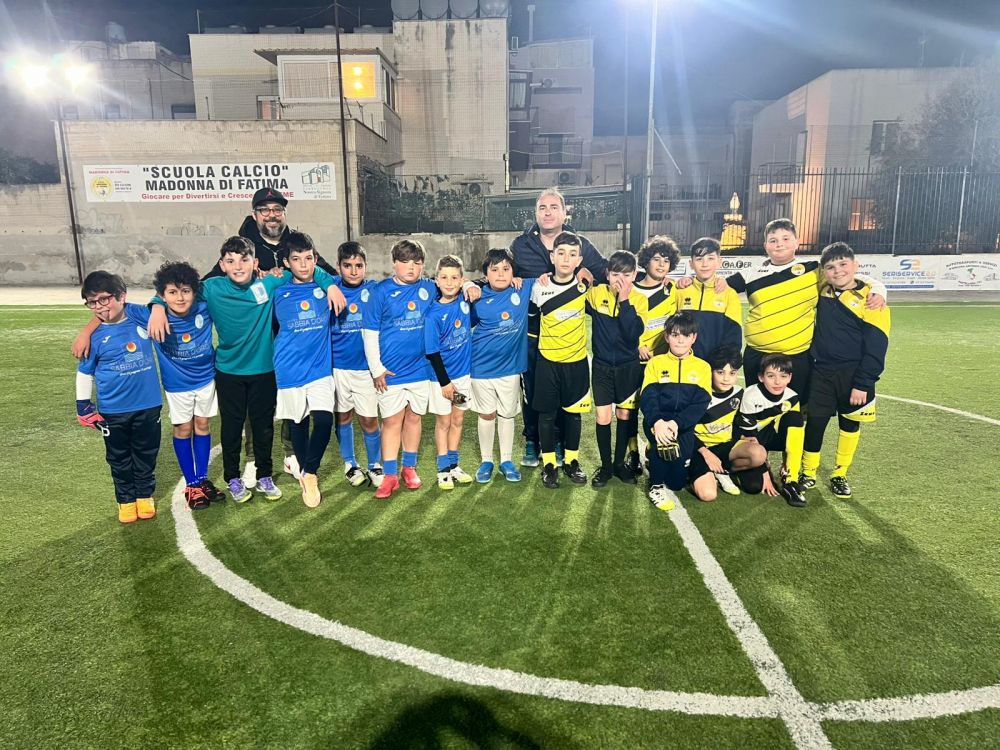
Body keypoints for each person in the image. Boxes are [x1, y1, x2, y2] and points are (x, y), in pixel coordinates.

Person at [147, 236, 342, 503]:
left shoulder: (269, 283)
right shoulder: (211, 288)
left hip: (264, 370)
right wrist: (157, 305)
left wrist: (329, 285)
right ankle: (232, 478)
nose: (238, 266)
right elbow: (177, 288)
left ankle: (265, 475)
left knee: (264, 427)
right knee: (231, 428)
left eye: (244, 260)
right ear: (222, 265)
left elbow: (305, 269)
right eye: (231, 261)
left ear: (255, 262)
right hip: (228, 371)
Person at [204, 187, 336, 488]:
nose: (271, 215)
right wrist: (158, 304)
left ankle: (291, 453)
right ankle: (253, 459)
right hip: (260, 340)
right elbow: (208, 282)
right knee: (258, 408)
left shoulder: (295, 242)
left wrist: (330, 285)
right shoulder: (245, 248)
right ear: (255, 215)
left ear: (284, 213)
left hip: (295, 339)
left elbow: (320, 269)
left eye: (277, 210)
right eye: (265, 210)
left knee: (294, 401)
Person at [72, 262, 224, 510]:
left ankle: (202, 478)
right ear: (163, 295)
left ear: (194, 292)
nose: (180, 297)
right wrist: (86, 332)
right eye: (172, 293)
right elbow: (111, 310)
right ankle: (192, 484)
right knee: (184, 429)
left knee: (203, 425)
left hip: (206, 378)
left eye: (185, 291)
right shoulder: (147, 315)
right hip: (177, 385)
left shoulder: (204, 308)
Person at [703, 218, 886, 397]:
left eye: (785, 238)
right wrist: (689, 281)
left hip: (797, 357)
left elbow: (846, 277)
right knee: (757, 407)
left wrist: (879, 289)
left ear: (797, 242)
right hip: (757, 355)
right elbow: (713, 287)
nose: (779, 244)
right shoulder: (749, 274)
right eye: (773, 240)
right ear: (765, 246)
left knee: (795, 408)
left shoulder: (813, 270)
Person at [362, 240, 480, 499]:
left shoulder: (429, 287)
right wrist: (376, 369)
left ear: (423, 266)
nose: (411, 268)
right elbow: (369, 332)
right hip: (390, 372)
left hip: (421, 371)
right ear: (394, 263)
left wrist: (470, 284)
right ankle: (389, 475)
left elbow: (454, 283)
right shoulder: (380, 292)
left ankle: (409, 468)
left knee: (414, 418)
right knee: (392, 421)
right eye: (405, 262)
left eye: (416, 263)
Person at [510, 187, 606, 467]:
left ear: (565, 213)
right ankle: (532, 441)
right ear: (536, 213)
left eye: (554, 207)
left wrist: (592, 273)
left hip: (567, 339)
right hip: (532, 336)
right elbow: (501, 272)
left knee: (566, 393)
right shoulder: (521, 244)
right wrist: (476, 283)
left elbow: (607, 272)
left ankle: (561, 443)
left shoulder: (581, 244)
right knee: (533, 392)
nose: (548, 212)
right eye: (542, 207)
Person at [800, 242, 891, 499]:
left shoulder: (871, 301)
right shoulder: (823, 289)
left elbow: (877, 347)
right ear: (824, 271)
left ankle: (840, 474)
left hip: (855, 376)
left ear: (855, 265)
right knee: (815, 422)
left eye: (843, 264)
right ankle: (808, 472)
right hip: (821, 371)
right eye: (830, 267)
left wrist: (863, 383)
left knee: (849, 424)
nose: (837, 271)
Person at [75, 271, 162, 524]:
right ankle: (125, 500)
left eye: (104, 299)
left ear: (122, 296)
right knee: (118, 457)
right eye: (92, 302)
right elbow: (85, 373)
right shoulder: (94, 337)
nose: (99, 307)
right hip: (112, 411)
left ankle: (144, 495)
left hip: (148, 405)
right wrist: (83, 406)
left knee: (146, 453)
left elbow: (162, 305)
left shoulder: (140, 318)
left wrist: (157, 306)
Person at [273, 232, 336, 508]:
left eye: (308, 258)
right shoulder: (277, 289)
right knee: (297, 424)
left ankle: (309, 471)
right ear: (287, 262)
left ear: (316, 259)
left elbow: (351, 281)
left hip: (320, 369)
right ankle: (305, 475)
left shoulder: (329, 285)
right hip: (288, 368)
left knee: (323, 421)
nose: (303, 264)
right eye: (296, 259)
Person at [529, 231, 592, 489]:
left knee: (573, 415)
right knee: (546, 415)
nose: (566, 259)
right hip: (547, 362)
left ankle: (571, 461)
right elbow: (532, 324)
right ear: (552, 256)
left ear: (579, 260)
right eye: (561, 253)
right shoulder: (539, 287)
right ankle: (549, 464)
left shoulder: (585, 287)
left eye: (572, 254)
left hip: (577, 363)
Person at [469, 248, 533, 484]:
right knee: (487, 414)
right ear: (485, 274)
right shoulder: (476, 296)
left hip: (510, 369)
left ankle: (506, 461)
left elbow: (550, 280)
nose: (501, 274)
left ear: (514, 272)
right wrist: (467, 284)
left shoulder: (522, 289)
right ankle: (486, 461)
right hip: (481, 368)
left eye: (506, 269)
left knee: (507, 414)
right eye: (494, 269)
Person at [638, 312, 712, 511]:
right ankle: (655, 486)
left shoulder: (703, 367)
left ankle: (653, 455)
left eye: (686, 335)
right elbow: (648, 397)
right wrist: (657, 422)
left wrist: (677, 423)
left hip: (683, 425)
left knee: (677, 483)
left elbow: (700, 403)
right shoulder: (656, 363)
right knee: (664, 443)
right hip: (658, 421)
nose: (680, 340)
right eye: (675, 335)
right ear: (666, 337)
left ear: (694, 338)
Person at [587, 251, 647, 488]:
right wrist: (581, 275)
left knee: (624, 415)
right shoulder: (596, 294)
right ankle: (606, 467)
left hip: (628, 368)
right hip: (602, 367)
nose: (620, 280)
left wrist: (624, 300)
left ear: (634, 275)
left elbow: (633, 334)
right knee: (603, 417)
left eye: (626, 275)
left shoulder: (640, 300)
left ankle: (620, 464)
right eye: (615, 275)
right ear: (607, 274)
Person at [330, 241, 384, 488]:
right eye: (347, 265)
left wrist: (470, 284)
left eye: (358, 266)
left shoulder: (374, 290)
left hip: (365, 370)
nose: (353, 271)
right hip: (337, 368)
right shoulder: (330, 289)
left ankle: (374, 464)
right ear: (338, 266)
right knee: (343, 416)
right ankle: (350, 463)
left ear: (365, 266)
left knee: (369, 419)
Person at [629, 235, 681, 476]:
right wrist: (637, 345)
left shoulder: (673, 290)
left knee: (658, 410)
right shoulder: (630, 289)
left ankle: (653, 449)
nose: (661, 265)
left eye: (666, 261)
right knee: (629, 410)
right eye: (657, 259)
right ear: (646, 261)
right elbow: (622, 325)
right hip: (634, 360)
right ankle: (632, 453)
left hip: (661, 363)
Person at [729, 354, 807, 508]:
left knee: (796, 418)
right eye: (771, 376)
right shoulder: (751, 395)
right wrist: (765, 473)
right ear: (761, 377)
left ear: (790, 378)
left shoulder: (792, 397)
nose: (777, 382)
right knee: (754, 487)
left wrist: (787, 465)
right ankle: (733, 467)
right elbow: (751, 438)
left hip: (768, 436)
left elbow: (793, 434)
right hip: (748, 441)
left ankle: (791, 481)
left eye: (783, 376)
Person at [424, 256, 475, 490]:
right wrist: (445, 383)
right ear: (436, 280)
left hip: (462, 378)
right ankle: (442, 468)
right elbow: (432, 353)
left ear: (462, 280)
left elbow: (481, 287)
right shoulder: (433, 314)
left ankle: (454, 465)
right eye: (444, 277)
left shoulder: (465, 302)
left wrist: (471, 285)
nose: (449, 282)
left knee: (458, 419)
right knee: (443, 421)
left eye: (455, 277)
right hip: (441, 381)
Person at [688, 345, 744, 502]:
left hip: (724, 447)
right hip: (699, 448)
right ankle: (707, 471)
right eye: (720, 372)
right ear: (711, 372)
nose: (726, 378)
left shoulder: (740, 393)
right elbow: (685, 428)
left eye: (732, 373)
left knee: (757, 454)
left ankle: (721, 470)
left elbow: (740, 424)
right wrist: (705, 452)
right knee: (708, 494)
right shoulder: (699, 394)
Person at [676, 237, 742, 361]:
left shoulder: (729, 294)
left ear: (719, 262)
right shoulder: (680, 291)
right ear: (691, 264)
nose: (705, 264)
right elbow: (670, 329)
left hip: (715, 364)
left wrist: (723, 363)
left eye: (710, 258)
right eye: (699, 259)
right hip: (685, 363)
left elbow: (733, 335)